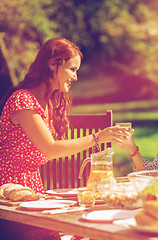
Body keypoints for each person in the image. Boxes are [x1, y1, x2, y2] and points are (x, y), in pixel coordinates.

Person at [0, 38, 124, 194]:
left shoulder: (49, 103)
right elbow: (50, 149)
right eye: (72, 69)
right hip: (8, 189)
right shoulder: (23, 100)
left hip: (32, 187)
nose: (75, 77)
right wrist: (97, 137)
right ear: (52, 64)